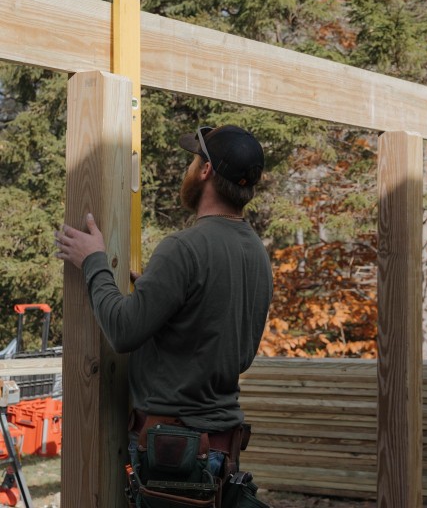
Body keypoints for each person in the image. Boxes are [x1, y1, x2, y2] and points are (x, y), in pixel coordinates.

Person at [55, 124, 273, 506]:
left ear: (205, 171)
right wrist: (160, 301)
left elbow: (122, 331)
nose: (190, 168)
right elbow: (233, 348)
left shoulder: (184, 247)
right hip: (220, 449)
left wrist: (93, 262)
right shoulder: (257, 253)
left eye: (195, 159)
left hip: (175, 456)